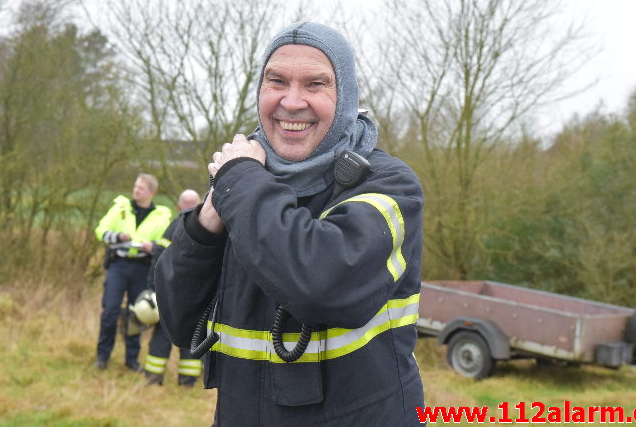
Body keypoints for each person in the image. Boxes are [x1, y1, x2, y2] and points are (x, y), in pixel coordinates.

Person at [156, 22, 425, 426]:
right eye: (276, 81)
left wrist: (240, 183)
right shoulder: (243, 183)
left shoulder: (391, 186)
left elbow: (322, 285)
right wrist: (205, 224)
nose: (292, 101)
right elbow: (180, 324)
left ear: (346, 97)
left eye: (315, 84)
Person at [93, 173, 172, 371]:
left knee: (137, 314)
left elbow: (166, 243)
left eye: (141, 188)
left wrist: (152, 246)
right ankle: (102, 357)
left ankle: (131, 359)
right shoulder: (120, 207)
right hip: (118, 265)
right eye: (136, 186)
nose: (136, 190)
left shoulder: (161, 216)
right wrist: (118, 236)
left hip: (143, 268)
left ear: (151, 193)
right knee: (110, 310)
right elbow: (101, 230)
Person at [143, 188, 203, 386]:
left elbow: (158, 259)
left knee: (163, 333)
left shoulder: (173, 227)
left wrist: (153, 288)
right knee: (192, 336)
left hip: (171, 293)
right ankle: (187, 381)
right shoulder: (208, 229)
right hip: (194, 296)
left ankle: (153, 379)